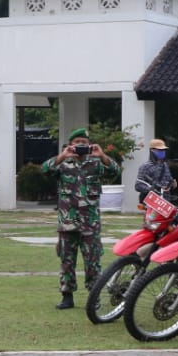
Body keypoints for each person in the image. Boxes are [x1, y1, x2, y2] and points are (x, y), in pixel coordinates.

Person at [43, 127, 117, 310]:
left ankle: (94, 297)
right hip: (68, 223)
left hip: (90, 224)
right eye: (77, 143)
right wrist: (62, 155)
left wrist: (102, 156)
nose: (81, 145)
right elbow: (44, 170)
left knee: (93, 262)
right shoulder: (63, 164)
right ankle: (67, 296)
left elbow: (115, 171)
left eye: (84, 142)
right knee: (67, 261)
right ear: (71, 145)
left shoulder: (96, 164)